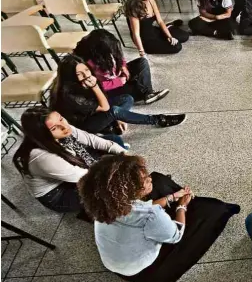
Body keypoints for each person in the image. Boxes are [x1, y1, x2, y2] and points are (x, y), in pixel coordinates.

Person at [79, 154, 240, 282]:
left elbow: (137, 209)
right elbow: (176, 234)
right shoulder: (151, 214)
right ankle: (224, 209)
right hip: (147, 274)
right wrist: (181, 206)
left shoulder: (104, 203)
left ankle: (175, 198)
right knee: (212, 211)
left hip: (114, 264)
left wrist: (171, 198)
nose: (149, 178)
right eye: (144, 180)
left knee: (159, 181)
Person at [12, 107, 126, 213]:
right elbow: (87, 176)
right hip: (58, 192)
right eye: (54, 128)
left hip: (68, 168)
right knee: (109, 190)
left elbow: (93, 140)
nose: (64, 126)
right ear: (42, 134)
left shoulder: (64, 128)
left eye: (61, 119)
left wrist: (126, 155)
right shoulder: (41, 158)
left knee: (114, 141)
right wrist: (117, 174)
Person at [50, 55, 186, 135]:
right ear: (71, 77)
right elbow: (105, 107)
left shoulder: (84, 81)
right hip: (84, 126)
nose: (86, 75)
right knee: (114, 111)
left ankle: (115, 122)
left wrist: (119, 117)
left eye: (86, 70)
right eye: (80, 74)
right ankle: (158, 120)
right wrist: (95, 86)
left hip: (94, 112)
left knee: (127, 98)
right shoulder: (69, 95)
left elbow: (104, 99)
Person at [73, 29, 169, 105]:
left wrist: (124, 67)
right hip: (110, 89)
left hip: (118, 75)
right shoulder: (85, 64)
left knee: (142, 62)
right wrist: (119, 81)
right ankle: (143, 91)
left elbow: (119, 57)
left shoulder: (106, 47)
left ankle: (148, 93)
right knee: (133, 90)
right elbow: (96, 86)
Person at [125, 0, 189, 56]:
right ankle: (169, 27)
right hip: (146, 41)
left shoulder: (151, 0)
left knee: (184, 36)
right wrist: (141, 52)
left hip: (154, 31)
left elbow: (160, 21)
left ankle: (169, 26)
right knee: (177, 47)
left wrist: (169, 36)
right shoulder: (133, 8)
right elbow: (136, 34)